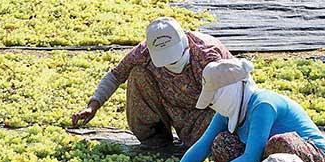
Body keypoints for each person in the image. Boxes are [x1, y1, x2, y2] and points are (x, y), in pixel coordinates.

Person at [130, 58, 325, 162]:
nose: (213, 103)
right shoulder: (226, 112)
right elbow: (203, 146)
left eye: (214, 97)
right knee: (221, 142)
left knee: (279, 144)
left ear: (230, 90)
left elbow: (251, 160)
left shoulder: (263, 105)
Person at [71, 17, 233, 149]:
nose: (171, 64)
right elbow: (116, 75)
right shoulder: (143, 52)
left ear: (184, 43)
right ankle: (155, 138)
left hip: (207, 114)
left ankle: (203, 144)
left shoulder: (207, 55)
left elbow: (234, 97)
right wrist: (93, 105)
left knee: (211, 144)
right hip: (172, 107)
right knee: (137, 74)